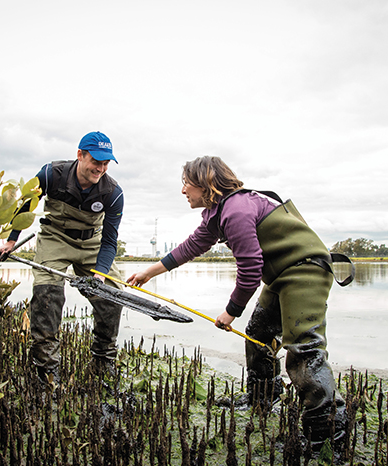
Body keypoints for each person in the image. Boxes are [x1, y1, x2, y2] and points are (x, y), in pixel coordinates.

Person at [126, 155, 347, 449]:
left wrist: (231, 312)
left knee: (304, 350)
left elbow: (252, 268)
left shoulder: (236, 210)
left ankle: (327, 436)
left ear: (206, 182)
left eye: (186, 183)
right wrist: (147, 272)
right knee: (258, 333)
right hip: (283, 275)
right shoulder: (219, 213)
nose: (183, 190)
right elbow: (190, 247)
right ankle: (261, 399)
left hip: (304, 271)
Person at [0, 131, 125, 384]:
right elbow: (24, 207)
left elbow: (110, 241)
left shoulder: (113, 193)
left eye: (105, 163)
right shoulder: (49, 174)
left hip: (92, 243)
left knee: (112, 295)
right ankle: (47, 368)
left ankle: (103, 359)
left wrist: (99, 275)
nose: (100, 168)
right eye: (95, 161)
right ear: (80, 155)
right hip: (55, 237)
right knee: (47, 296)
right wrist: (11, 240)